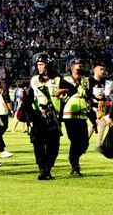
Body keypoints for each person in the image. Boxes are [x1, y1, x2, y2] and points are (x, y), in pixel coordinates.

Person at [22, 52, 69, 180]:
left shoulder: (58, 79)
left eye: (41, 64)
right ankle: (43, 170)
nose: (39, 67)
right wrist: (28, 114)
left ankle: (47, 168)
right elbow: (29, 99)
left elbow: (72, 90)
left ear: (48, 65)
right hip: (38, 117)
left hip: (53, 118)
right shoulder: (34, 80)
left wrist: (63, 91)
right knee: (38, 145)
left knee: (53, 147)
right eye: (38, 65)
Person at [61, 58, 91, 176]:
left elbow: (87, 96)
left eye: (80, 64)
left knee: (84, 144)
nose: (79, 66)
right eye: (76, 64)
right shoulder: (65, 79)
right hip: (69, 114)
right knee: (74, 141)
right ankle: (75, 166)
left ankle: (73, 157)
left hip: (82, 114)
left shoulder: (85, 80)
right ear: (70, 67)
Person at [88, 61, 108, 152]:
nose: (103, 71)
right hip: (93, 108)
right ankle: (98, 145)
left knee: (93, 125)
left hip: (101, 108)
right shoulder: (89, 81)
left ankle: (83, 144)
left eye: (103, 69)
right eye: (101, 69)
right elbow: (87, 94)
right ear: (94, 70)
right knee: (102, 123)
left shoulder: (105, 81)